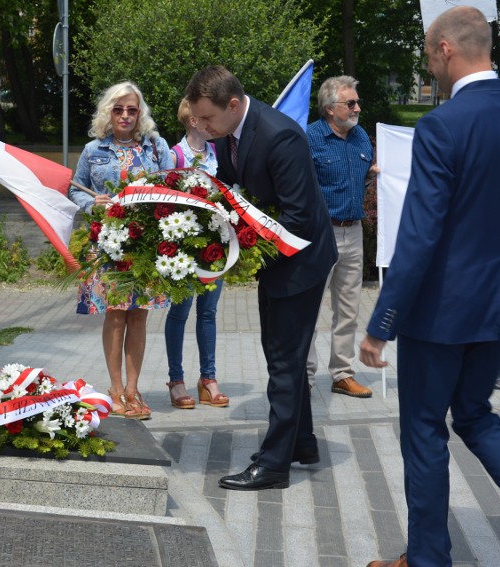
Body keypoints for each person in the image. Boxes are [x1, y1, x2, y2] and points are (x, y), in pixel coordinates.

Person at [359, 7, 500, 566]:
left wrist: (381, 324)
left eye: (426, 52)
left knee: (423, 431)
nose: (428, 63)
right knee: (477, 417)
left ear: (444, 49)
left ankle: (428, 558)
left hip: (439, 315)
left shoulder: (442, 125)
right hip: (498, 305)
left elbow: (419, 235)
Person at [185, 66, 337, 490]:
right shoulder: (231, 132)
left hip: (300, 260)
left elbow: (299, 217)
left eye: (207, 119)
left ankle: (273, 466)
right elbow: (234, 190)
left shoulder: (280, 136)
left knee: (285, 360)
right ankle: (301, 444)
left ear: (233, 105)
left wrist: (242, 249)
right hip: (277, 258)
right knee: (279, 353)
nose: (201, 127)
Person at [68, 81, 173, 420]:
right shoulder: (92, 150)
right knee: (115, 316)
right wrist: (91, 202)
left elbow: (173, 185)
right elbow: (74, 190)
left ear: (140, 112)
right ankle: (115, 389)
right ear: (108, 113)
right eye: (118, 109)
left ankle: (134, 389)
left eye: (131, 109)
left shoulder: (156, 149)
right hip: (108, 243)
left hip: (145, 244)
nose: (125, 115)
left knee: (138, 316)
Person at [305, 76, 378, 398]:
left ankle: (342, 374)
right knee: (307, 307)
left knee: (348, 309)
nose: (357, 108)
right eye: (351, 103)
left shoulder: (361, 137)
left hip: (354, 232)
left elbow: (368, 174)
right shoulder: (309, 138)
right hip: (320, 234)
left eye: (356, 102)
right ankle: (303, 377)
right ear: (330, 109)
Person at [164, 97, 227, 410]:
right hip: (184, 248)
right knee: (180, 312)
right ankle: (176, 380)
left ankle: (209, 379)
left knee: (209, 312)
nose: (210, 122)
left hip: (214, 244)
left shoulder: (216, 152)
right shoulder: (176, 155)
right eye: (204, 118)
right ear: (192, 121)